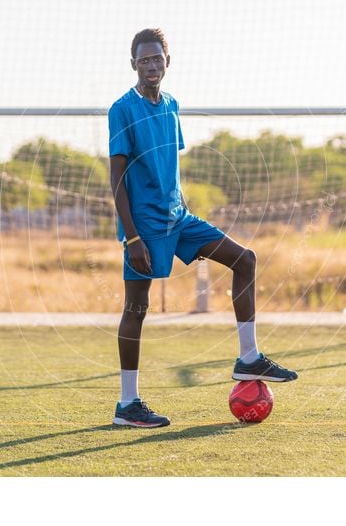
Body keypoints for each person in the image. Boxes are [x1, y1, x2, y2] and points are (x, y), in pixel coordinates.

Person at [108, 28, 298, 428]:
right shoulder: (121, 109)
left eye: (157, 58)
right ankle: (128, 404)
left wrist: (180, 207)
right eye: (144, 60)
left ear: (168, 61)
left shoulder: (173, 104)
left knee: (244, 259)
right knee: (136, 308)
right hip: (144, 226)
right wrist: (133, 237)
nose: (152, 65)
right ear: (133, 65)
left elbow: (168, 167)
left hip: (179, 217)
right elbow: (118, 180)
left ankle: (248, 360)